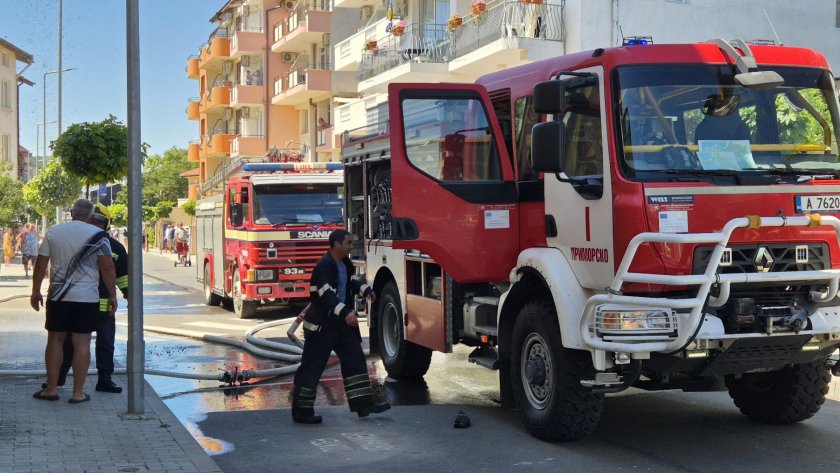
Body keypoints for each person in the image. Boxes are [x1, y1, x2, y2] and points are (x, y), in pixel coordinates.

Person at [291, 229, 389, 424]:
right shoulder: (324, 266)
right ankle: (302, 412)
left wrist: (366, 290)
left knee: (355, 360)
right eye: (348, 243)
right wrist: (346, 313)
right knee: (312, 367)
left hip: (342, 325)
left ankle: (363, 405)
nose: (351, 247)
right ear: (335, 244)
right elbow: (327, 297)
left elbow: (350, 282)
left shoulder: (345, 263)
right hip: (322, 327)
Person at [31, 199, 117, 404]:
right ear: (90, 215)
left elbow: (40, 265)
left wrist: (35, 291)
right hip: (86, 298)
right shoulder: (99, 236)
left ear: (71, 212)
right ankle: (78, 393)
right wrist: (113, 295)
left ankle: (51, 389)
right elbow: (107, 267)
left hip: (58, 296)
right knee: (82, 343)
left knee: (55, 341)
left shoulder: (54, 232)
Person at [49, 204, 128, 394]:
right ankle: (58, 379)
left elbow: (122, 275)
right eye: (95, 220)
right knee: (70, 343)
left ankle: (104, 380)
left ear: (107, 225)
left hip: (99, 305)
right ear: (89, 220)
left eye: (101, 222)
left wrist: (127, 294)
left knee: (105, 343)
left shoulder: (115, 247)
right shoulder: (88, 242)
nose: (97, 224)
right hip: (86, 302)